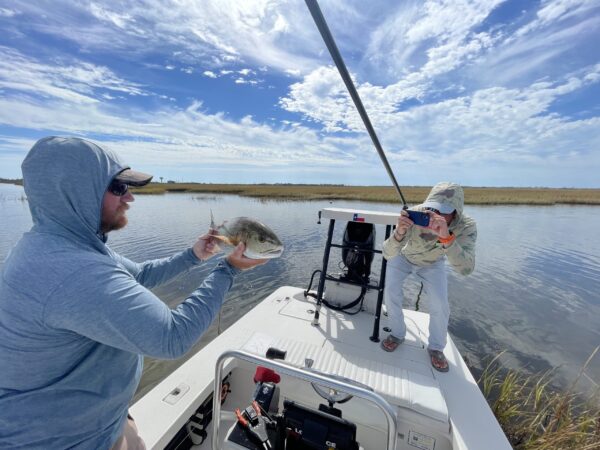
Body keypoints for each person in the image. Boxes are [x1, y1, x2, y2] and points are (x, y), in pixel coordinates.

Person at [0, 137, 266, 449]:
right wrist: (228, 269)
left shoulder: (60, 243)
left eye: (130, 187)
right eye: (117, 187)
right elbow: (172, 337)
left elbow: (138, 274)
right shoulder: (74, 269)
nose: (130, 198)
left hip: (100, 420)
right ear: (75, 191)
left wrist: (193, 255)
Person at [381, 182, 477, 372]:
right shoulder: (415, 214)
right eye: (432, 209)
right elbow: (387, 254)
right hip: (404, 258)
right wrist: (399, 233)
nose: (435, 215)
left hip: (433, 263)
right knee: (390, 293)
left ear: (456, 212)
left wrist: (446, 238)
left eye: (443, 212)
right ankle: (397, 334)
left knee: (440, 303)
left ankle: (436, 348)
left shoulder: (467, 226)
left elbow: (466, 269)